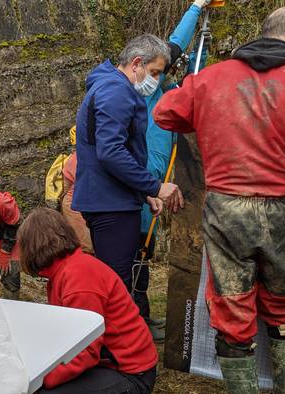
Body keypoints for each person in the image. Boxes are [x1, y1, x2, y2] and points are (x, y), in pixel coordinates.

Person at [153, 6, 285, 393]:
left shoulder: (210, 79)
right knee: (284, 304)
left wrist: (209, 115)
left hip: (227, 210)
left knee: (231, 306)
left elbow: (164, 113)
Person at [72, 34, 184, 324]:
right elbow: (111, 153)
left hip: (113, 198)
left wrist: (143, 193)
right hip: (111, 205)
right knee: (118, 285)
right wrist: (155, 186)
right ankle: (116, 353)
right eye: (155, 72)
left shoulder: (109, 86)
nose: (156, 80)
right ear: (137, 63)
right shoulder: (117, 92)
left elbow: (111, 152)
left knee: (117, 279)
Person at [18, 207, 157, 394]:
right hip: (107, 363)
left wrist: (41, 379)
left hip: (131, 373)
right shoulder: (63, 272)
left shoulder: (79, 278)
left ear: (31, 248)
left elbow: (86, 351)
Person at [138, 0, 212, 341]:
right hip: (140, 190)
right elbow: (173, 45)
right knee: (135, 254)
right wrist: (196, 8)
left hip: (157, 190)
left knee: (144, 254)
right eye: (156, 71)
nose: (160, 76)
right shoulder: (141, 95)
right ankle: (135, 320)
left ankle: (141, 316)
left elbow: (189, 72)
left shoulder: (167, 94)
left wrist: (201, 27)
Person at [60, 126, 93, 254]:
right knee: (85, 244)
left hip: (74, 203)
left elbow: (65, 185)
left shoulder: (73, 158)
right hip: (76, 204)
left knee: (82, 241)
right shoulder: (83, 156)